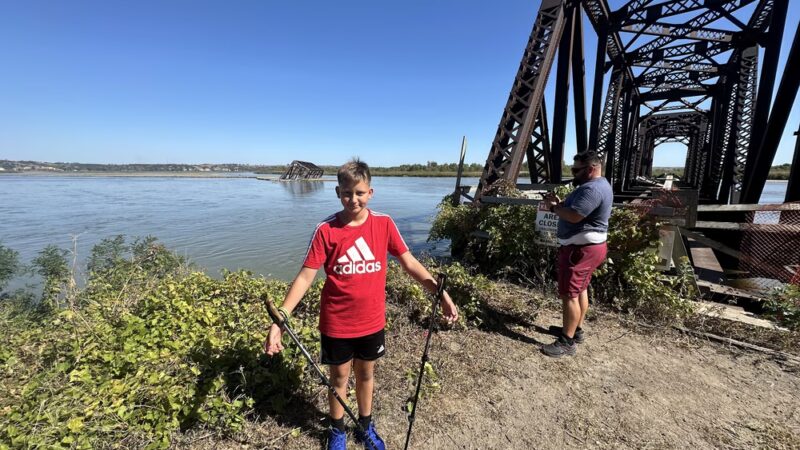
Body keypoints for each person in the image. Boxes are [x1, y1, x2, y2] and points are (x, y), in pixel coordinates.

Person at [265, 158, 459, 450]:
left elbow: (409, 262)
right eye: (346, 193)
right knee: (339, 377)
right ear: (337, 193)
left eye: (359, 193)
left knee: (366, 373)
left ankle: (365, 426)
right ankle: (337, 429)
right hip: (336, 323)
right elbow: (306, 277)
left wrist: (439, 293)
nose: (352, 199)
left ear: (370, 192)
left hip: (371, 322)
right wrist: (280, 318)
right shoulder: (326, 230)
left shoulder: (384, 224)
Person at [540, 151, 612, 358]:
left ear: (591, 169)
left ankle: (566, 343)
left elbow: (574, 216)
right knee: (580, 290)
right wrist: (561, 203)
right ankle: (575, 330)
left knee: (569, 294)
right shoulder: (599, 185)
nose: (572, 174)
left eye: (576, 170)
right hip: (588, 248)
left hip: (579, 251)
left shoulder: (591, 189)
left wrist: (554, 209)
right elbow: (577, 210)